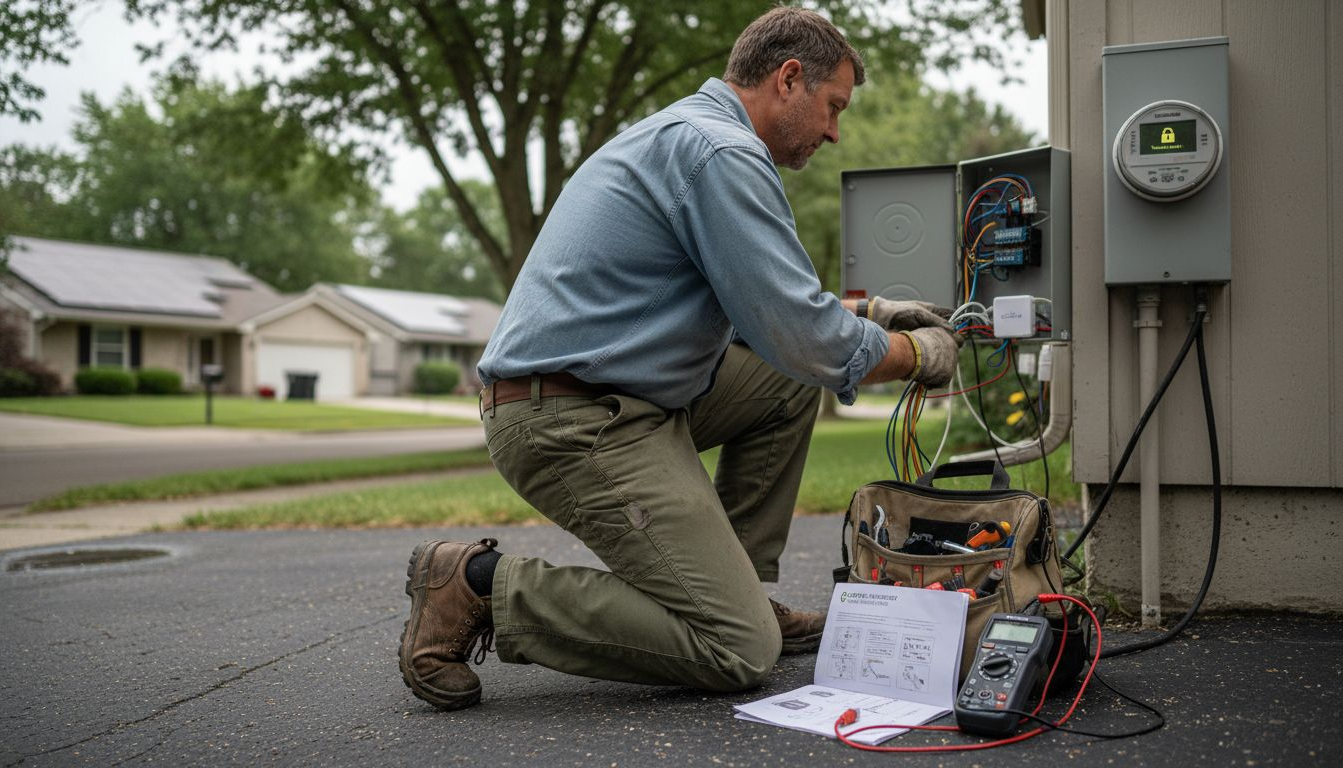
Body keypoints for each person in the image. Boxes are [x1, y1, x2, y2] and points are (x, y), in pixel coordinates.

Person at [398, 6, 961, 711]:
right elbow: (799, 334)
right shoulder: (721, 153)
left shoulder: (688, 136)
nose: (833, 131)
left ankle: (736, 589)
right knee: (737, 650)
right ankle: (476, 583)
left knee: (785, 388)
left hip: (616, 396)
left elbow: (762, 315)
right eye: (833, 107)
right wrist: (916, 354)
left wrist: (873, 316)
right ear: (789, 78)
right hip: (570, 419)